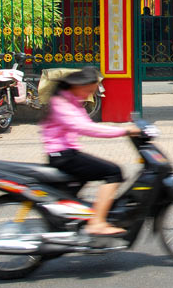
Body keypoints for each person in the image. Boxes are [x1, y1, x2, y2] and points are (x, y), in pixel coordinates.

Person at [41, 67, 140, 236]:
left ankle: (69, 223)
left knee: (73, 193)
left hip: (67, 153)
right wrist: (124, 131)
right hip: (63, 156)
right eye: (89, 90)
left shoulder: (72, 101)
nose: (89, 93)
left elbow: (89, 126)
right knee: (113, 172)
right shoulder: (61, 103)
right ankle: (97, 223)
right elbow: (86, 128)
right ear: (78, 85)